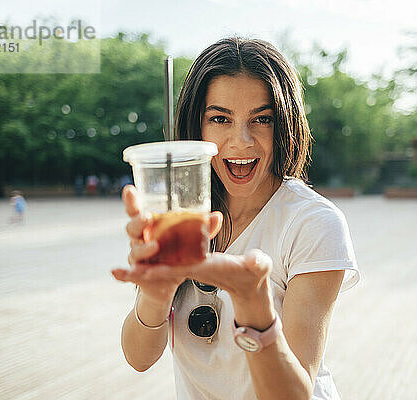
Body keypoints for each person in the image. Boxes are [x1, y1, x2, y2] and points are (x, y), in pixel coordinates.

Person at [111, 37, 360, 400]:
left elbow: (295, 393)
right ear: (197, 127)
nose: (241, 141)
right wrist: (155, 293)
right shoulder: (178, 219)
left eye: (261, 119)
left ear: (285, 124)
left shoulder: (314, 223)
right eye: (220, 119)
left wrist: (253, 304)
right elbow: (139, 357)